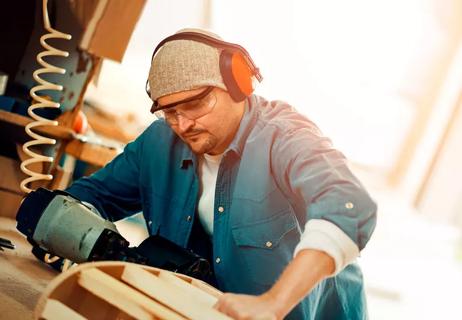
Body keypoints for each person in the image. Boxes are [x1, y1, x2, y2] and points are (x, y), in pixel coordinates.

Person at [66, 28, 377, 320]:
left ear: (237, 84)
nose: (183, 125)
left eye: (196, 103)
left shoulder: (286, 137)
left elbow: (348, 206)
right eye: (170, 111)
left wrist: (273, 303)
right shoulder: (159, 143)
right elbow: (89, 197)